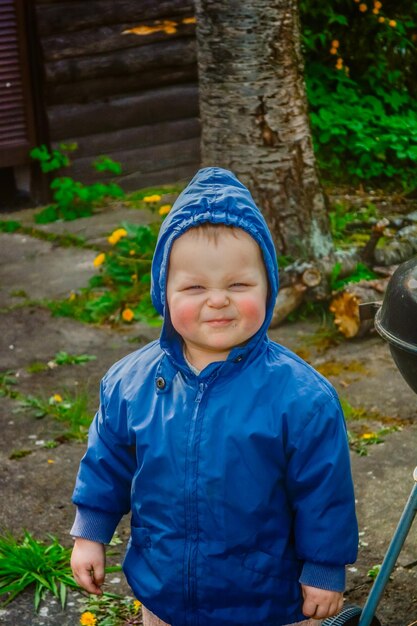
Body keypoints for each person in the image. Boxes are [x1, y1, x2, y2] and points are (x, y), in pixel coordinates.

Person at [70, 167, 358, 626]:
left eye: (239, 285)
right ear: (163, 292)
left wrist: (324, 568)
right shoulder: (130, 384)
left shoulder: (302, 398)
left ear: (269, 287)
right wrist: (90, 534)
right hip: (164, 593)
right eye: (195, 287)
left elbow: (324, 491)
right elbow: (107, 464)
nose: (217, 300)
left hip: (265, 596)